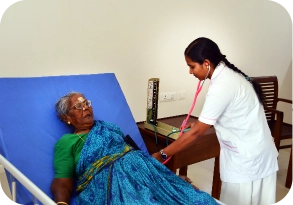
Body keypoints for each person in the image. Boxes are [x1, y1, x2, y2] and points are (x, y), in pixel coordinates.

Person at [152, 37, 279, 205]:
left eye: (192, 66)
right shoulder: (228, 76)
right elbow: (227, 113)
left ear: (206, 63)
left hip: (247, 162)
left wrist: (162, 155)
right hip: (259, 152)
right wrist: (198, 123)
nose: (190, 72)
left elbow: (196, 134)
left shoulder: (222, 85)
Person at [50, 91, 218, 205]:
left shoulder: (108, 127)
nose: (86, 107)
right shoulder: (67, 142)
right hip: (110, 185)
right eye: (78, 106)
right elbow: (62, 182)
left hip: (145, 174)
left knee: (194, 199)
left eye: (86, 103)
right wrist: (62, 203)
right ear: (67, 118)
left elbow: (135, 153)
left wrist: (164, 176)